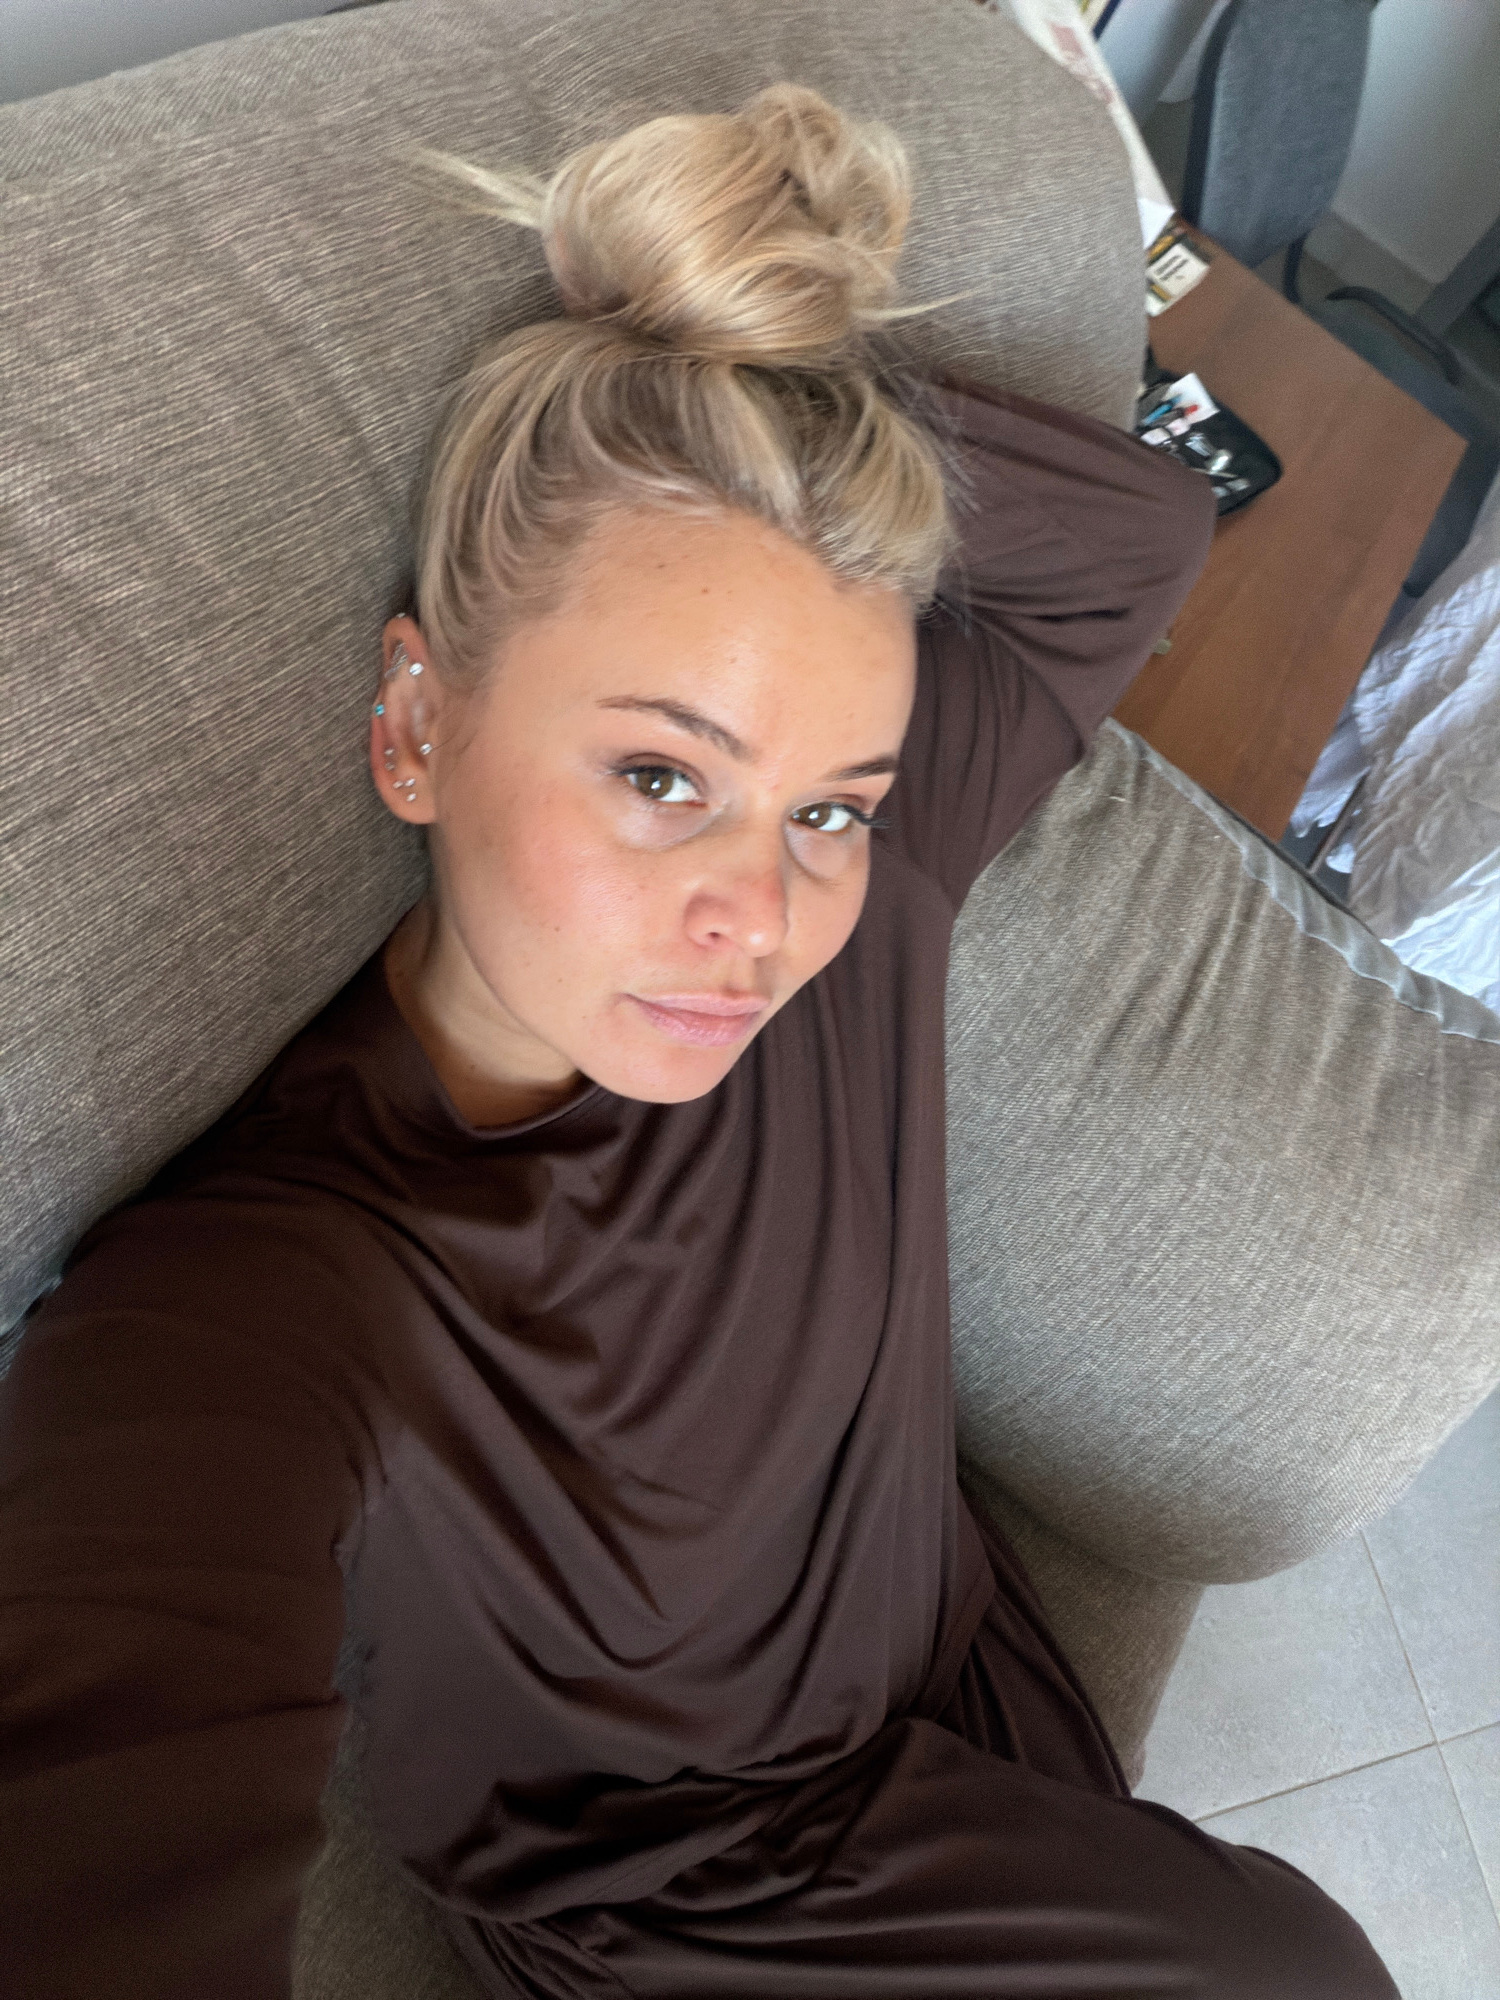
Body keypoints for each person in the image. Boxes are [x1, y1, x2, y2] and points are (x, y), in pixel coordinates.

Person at [0, 85, 1396, 2000]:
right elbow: (103, 1753)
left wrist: (731, 391)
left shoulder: (867, 900)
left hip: (967, 1698)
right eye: (662, 774)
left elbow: (1132, 537)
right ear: (417, 726)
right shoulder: (266, 1295)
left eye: (828, 803)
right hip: (692, 1913)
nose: (761, 919)